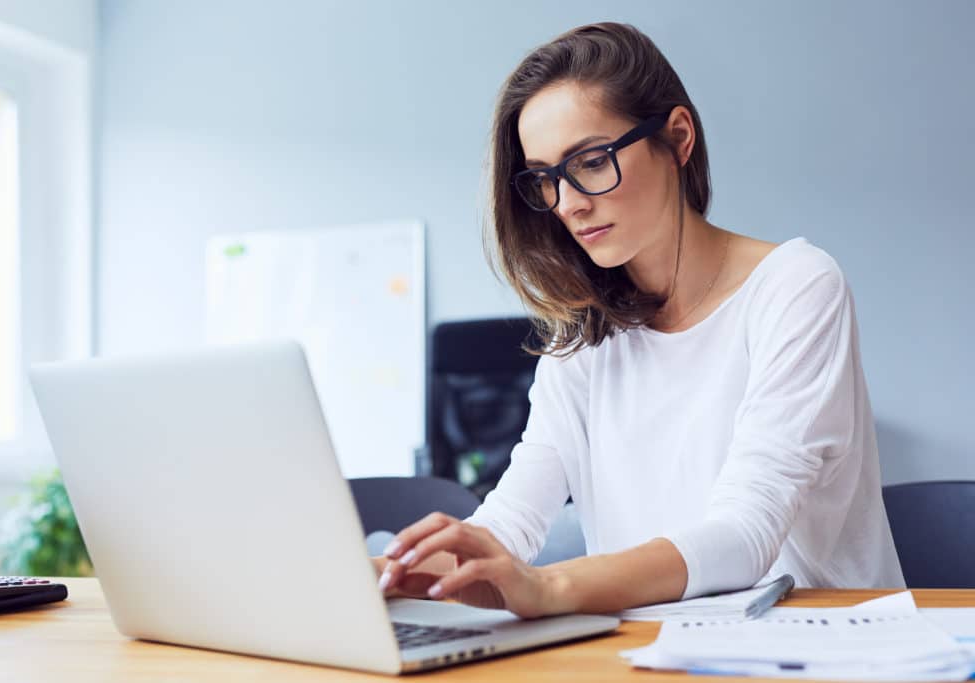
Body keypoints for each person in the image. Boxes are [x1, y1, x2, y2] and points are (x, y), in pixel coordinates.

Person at [374, 22, 905, 618]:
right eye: (544, 178)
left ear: (678, 138)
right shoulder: (582, 328)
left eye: (592, 161)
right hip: (643, 650)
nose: (568, 202)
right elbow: (512, 521)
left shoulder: (796, 286)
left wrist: (548, 586)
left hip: (820, 647)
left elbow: (745, 534)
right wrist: (383, 574)